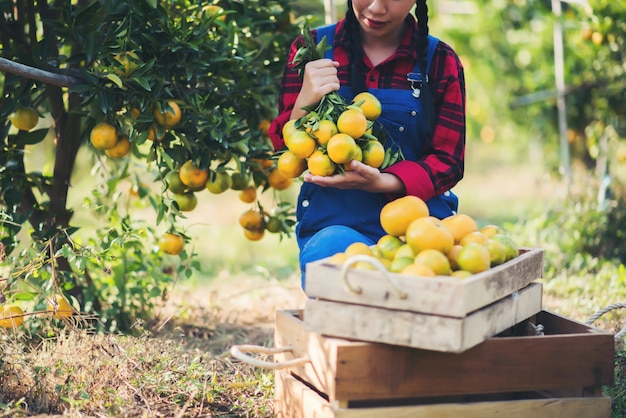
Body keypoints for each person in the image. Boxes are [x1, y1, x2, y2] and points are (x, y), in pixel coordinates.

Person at [267, 0, 466, 289]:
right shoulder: (313, 49)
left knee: (421, 298)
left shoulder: (439, 61)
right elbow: (284, 149)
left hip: (418, 227)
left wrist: (384, 182)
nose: (375, 7)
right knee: (339, 278)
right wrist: (304, 101)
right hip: (334, 225)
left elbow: (449, 160)